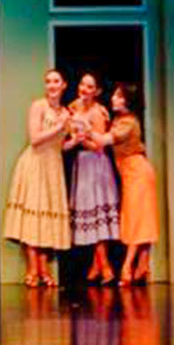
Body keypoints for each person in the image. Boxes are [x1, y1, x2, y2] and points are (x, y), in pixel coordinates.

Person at [3, 68, 73, 287]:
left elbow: (60, 146)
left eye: (56, 81)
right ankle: (32, 269)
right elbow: (35, 138)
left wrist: (76, 140)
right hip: (35, 163)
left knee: (46, 220)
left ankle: (44, 269)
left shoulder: (66, 112)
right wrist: (60, 126)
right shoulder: (38, 106)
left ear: (64, 85)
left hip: (53, 166)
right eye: (48, 81)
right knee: (33, 219)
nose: (51, 85)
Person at [93, 82, 156, 285]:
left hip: (137, 171)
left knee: (137, 219)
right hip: (130, 173)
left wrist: (85, 127)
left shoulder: (128, 123)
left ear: (127, 101)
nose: (113, 98)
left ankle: (127, 266)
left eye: (118, 96)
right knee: (136, 218)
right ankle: (143, 264)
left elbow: (103, 140)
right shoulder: (120, 119)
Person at [67, 72, 120, 284]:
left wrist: (82, 139)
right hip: (83, 163)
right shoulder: (72, 107)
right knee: (90, 214)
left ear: (96, 91)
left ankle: (105, 266)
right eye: (82, 84)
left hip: (96, 164)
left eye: (89, 86)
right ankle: (97, 266)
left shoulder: (99, 112)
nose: (84, 89)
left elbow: (99, 145)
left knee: (97, 215)